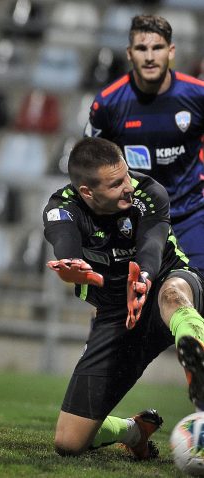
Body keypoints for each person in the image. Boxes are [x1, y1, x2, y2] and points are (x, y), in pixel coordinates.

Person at [43, 136, 204, 459]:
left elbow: (152, 245)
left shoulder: (149, 192)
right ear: (88, 192)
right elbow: (65, 243)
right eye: (116, 184)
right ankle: (136, 430)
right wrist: (73, 267)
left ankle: (194, 345)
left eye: (126, 175)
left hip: (162, 284)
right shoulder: (61, 209)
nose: (127, 186)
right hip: (118, 317)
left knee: (173, 295)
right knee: (69, 442)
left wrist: (144, 277)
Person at [85, 14, 204, 272]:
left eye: (157, 47)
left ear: (171, 51)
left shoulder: (198, 96)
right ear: (129, 53)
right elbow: (88, 165)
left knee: (195, 297)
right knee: (125, 306)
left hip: (191, 217)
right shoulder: (108, 104)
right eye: (141, 48)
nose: (149, 56)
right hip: (134, 221)